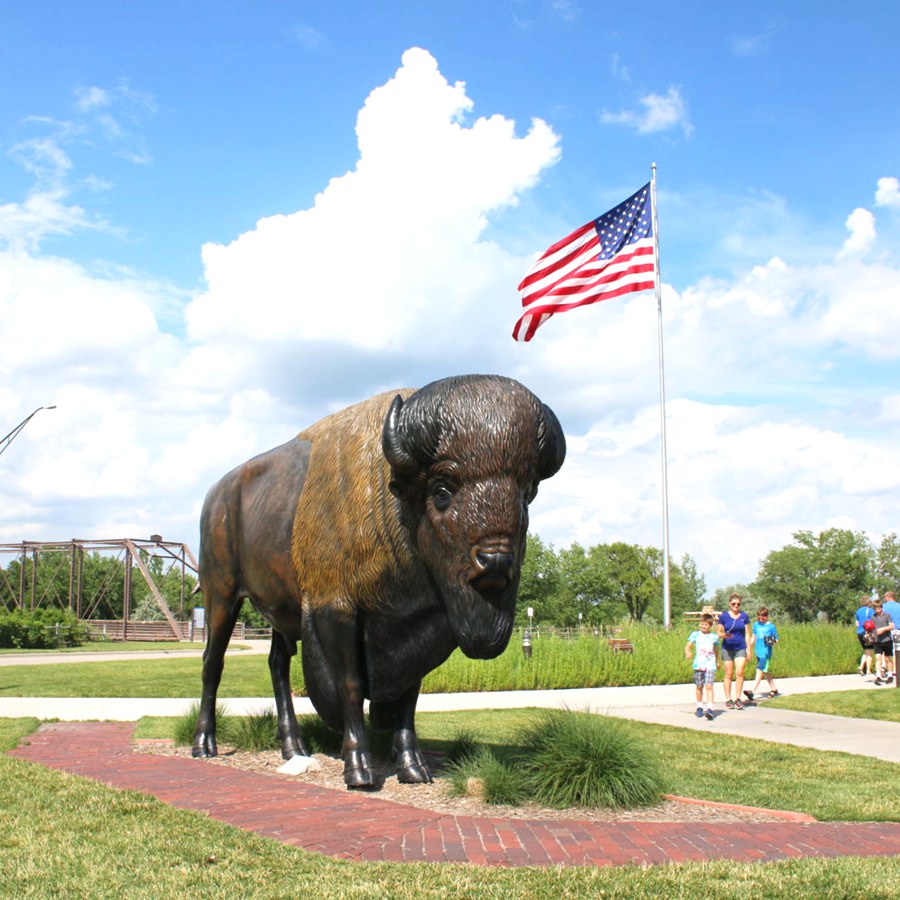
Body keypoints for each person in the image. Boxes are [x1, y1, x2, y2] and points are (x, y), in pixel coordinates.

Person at [717, 592, 752, 709]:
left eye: (738, 604)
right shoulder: (724, 617)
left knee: (740, 672)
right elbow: (718, 632)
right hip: (727, 648)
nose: (736, 606)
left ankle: (738, 698)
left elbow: (747, 634)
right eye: (734, 604)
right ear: (729, 604)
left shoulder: (744, 616)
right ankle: (728, 699)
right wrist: (724, 636)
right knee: (728, 673)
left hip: (740, 647)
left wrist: (749, 649)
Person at [685, 613, 720, 720]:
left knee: (709, 686)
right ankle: (699, 706)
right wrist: (688, 652)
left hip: (710, 664)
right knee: (699, 686)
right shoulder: (695, 634)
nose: (704, 626)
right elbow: (688, 646)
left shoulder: (714, 637)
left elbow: (716, 650)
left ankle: (709, 708)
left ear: (710, 625)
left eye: (706, 625)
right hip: (699, 664)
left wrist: (718, 661)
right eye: (702, 624)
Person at [744, 607, 779, 700]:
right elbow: (753, 637)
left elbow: (776, 640)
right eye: (759, 617)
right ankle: (774, 689)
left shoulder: (771, 626)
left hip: (766, 653)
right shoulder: (756, 625)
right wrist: (748, 647)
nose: (761, 619)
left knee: (759, 670)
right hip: (758, 652)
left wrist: (768, 640)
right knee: (766, 671)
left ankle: (752, 691)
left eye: (763, 617)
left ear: (767, 616)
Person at [871, 599, 896, 685]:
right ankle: (878, 676)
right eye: (875, 609)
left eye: (878, 608)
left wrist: (883, 629)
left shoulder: (887, 615)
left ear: (881, 607)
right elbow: (872, 628)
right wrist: (870, 634)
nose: (877, 610)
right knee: (878, 658)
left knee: (888, 658)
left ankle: (890, 675)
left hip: (887, 639)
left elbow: (892, 626)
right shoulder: (873, 617)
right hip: (877, 641)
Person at [855, 595, 876, 677]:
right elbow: (874, 621)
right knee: (870, 651)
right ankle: (868, 671)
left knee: (866, 650)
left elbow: (857, 623)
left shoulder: (858, 611)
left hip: (859, 632)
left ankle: (861, 666)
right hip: (867, 632)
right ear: (868, 602)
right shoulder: (870, 610)